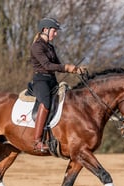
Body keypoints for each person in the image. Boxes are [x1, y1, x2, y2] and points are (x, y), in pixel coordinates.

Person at [30, 17, 85, 152]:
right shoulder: (37, 46)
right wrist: (67, 67)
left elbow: (58, 65)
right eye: (54, 31)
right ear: (45, 30)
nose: (56, 34)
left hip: (52, 80)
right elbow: (47, 65)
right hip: (41, 81)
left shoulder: (50, 47)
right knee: (46, 103)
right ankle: (37, 141)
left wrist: (76, 70)